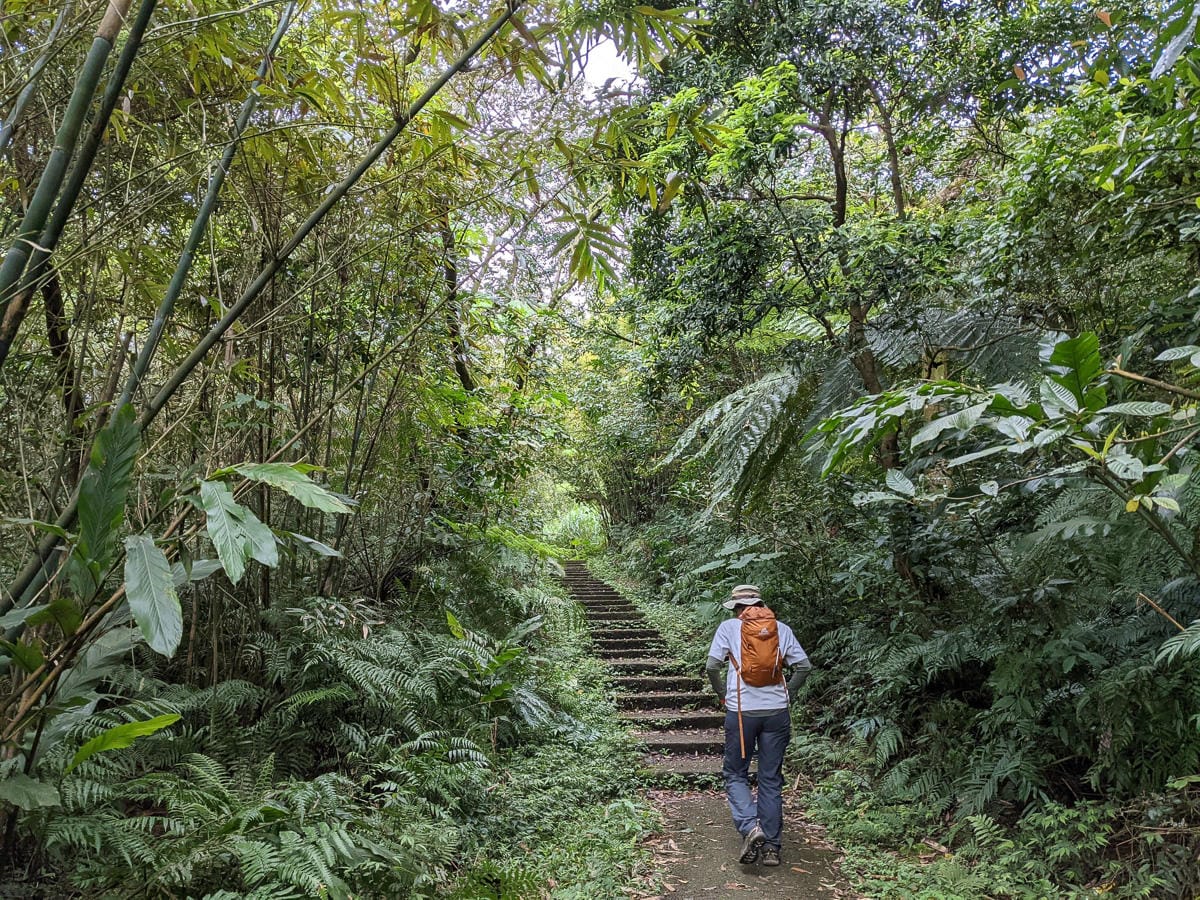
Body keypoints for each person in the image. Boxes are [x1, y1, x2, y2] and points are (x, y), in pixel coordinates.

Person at [706, 584, 812, 867]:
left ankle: (751, 827)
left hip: (742, 713)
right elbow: (803, 667)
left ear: (736, 607)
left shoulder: (729, 629)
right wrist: (789, 692)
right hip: (777, 713)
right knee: (770, 778)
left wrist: (722, 695)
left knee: (735, 773)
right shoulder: (781, 629)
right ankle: (772, 848)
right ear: (759, 603)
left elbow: (712, 667)